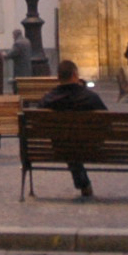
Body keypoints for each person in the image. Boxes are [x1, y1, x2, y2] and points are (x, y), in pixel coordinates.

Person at [36, 59, 106, 199]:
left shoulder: (48, 100)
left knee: (67, 142)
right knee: (74, 143)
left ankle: (83, 183)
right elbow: (106, 122)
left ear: (58, 78)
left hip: (59, 148)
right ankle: (84, 184)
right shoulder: (90, 98)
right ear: (75, 75)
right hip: (91, 148)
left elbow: (38, 122)